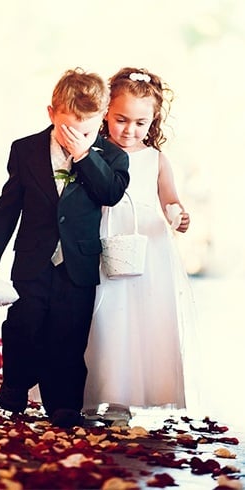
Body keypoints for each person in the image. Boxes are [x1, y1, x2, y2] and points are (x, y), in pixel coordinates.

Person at [0, 68, 130, 428]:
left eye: (87, 131)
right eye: (68, 129)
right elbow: (8, 203)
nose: (76, 138)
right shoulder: (25, 149)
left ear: (102, 120)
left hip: (77, 264)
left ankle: (64, 404)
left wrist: (84, 156)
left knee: (69, 334)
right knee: (23, 325)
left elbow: (110, 193)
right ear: (51, 114)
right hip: (32, 259)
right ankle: (15, 385)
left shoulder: (110, 157)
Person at [83, 67, 196, 422]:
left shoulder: (157, 160)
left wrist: (180, 216)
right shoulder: (92, 152)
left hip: (145, 247)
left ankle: (121, 399)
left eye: (140, 123)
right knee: (96, 319)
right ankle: (82, 394)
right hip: (101, 239)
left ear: (153, 121)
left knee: (131, 323)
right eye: (121, 119)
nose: (129, 130)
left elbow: (170, 201)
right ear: (104, 113)